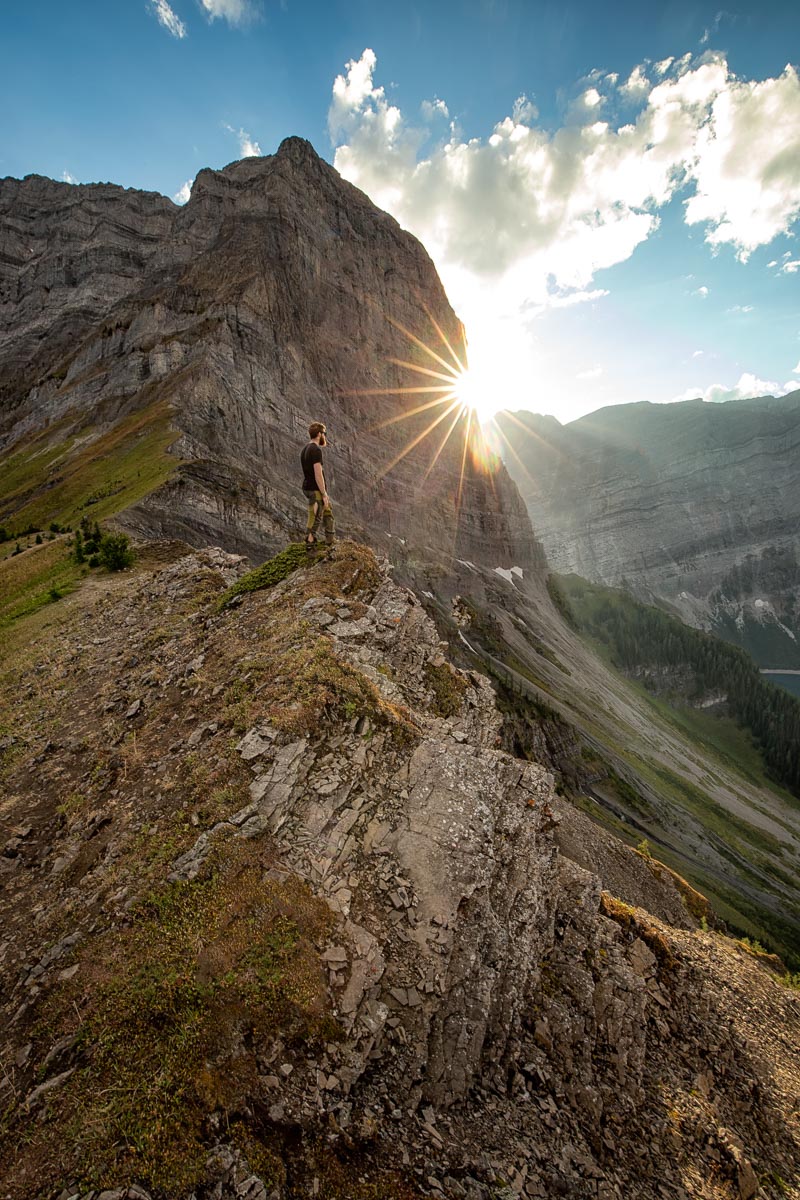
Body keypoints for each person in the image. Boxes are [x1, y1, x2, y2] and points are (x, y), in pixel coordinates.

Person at [301, 421, 336, 548]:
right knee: (315, 517)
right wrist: (324, 493)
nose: (325, 436)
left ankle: (330, 541)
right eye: (324, 434)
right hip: (315, 489)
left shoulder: (305, 449)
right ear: (319, 434)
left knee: (327, 510)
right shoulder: (315, 450)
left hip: (307, 486)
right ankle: (310, 545)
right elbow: (318, 473)